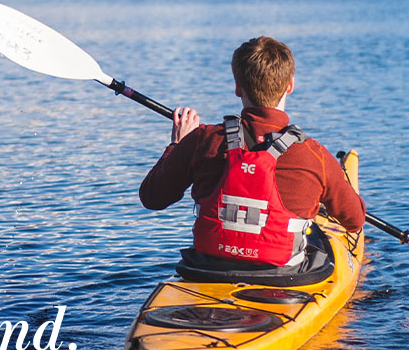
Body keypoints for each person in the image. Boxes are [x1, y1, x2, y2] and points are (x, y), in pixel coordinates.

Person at [139, 36, 365, 270]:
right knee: (319, 242)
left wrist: (177, 145)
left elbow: (152, 198)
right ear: (290, 85)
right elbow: (355, 220)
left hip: (208, 270)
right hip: (285, 275)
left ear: (238, 87)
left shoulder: (202, 140)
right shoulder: (314, 155)